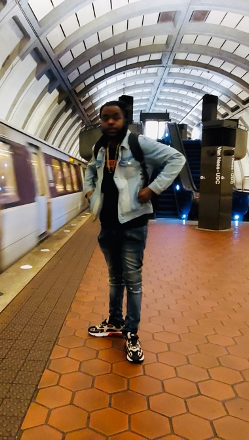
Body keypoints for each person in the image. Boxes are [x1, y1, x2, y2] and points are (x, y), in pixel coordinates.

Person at [83, 101, 186, 363]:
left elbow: (177, 158)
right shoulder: (99, 146)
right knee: (114, 278)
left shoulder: (139, 144)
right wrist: (89, 192)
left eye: (115, 117)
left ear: (124, 119)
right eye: (105, 118)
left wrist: (153, 189)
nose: (110, 123)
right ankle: (115, 322)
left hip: (133, 225)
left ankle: (131, 332)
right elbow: (90, 170)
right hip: (107, 224)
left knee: (133, 281)